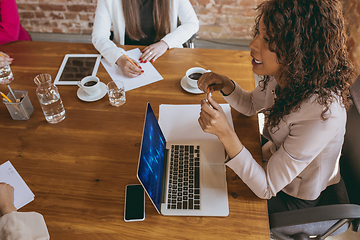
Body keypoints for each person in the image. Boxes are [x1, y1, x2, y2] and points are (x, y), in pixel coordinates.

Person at [197, 0, 354, 214]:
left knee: (212, 204)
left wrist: (226, 134)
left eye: (267, 39)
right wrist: (226, 85)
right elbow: (251, 104)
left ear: (298, 49)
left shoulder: (322, 114)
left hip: (294, 197)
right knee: (206, 169)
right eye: (258, 33)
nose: (252, 44)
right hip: (271, 159)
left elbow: (267, 188)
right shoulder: (287, 74)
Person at [92, 0, 199, 78]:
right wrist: (120, 59)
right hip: (127, 57)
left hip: (165, 53)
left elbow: (191, 23)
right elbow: (99, 36)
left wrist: (165, 43)